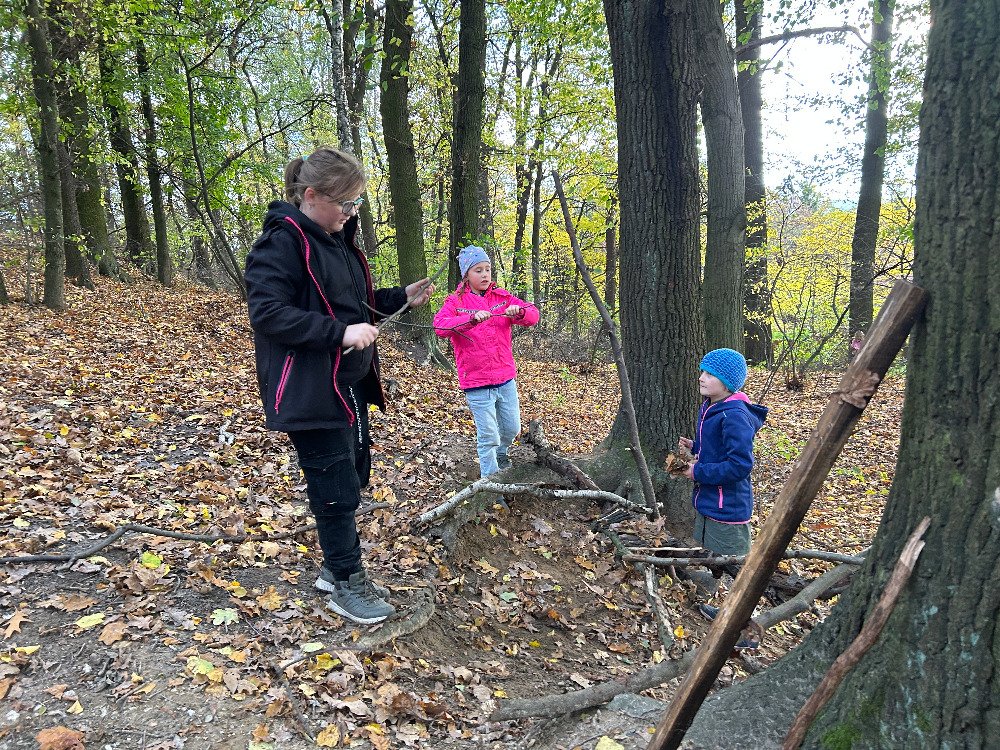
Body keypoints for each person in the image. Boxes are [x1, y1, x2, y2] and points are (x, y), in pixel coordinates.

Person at [244, 146, 434, 625]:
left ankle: (335, 568)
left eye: (357, 203)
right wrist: (339, 334)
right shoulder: (281, 243)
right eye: (345, 203)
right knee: (333, 482)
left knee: (352, 473)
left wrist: (398, 298)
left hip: (348, 383)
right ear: (311, 195)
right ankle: (347, 581)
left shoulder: (337, 240)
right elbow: (268, 313)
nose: (352, 212)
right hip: (309, 387)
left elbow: (353, 305)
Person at [678, 347, 768, 648]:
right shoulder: (712, 406)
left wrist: (698, 471)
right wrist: (695, 447)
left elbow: (739, 465)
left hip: (728, 508)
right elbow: (716, 449)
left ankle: (745, 631)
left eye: (710, 374)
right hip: (710, 502)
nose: (701, 378)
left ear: (727, 383)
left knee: (738, 570)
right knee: (718, 559)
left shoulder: (735, 414)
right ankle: (725, 610)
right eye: (702, 371)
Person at [433, 246, 539, 478]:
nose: (484, 274)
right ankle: (490, 483)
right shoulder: (456, 301)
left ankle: (502, 453)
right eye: (478, 270)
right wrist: (470, 319)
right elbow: (440, 326)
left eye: (487, 269)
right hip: (476, 382)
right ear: (466, 275)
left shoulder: (502, 298)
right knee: (488, 435)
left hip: (505, 378)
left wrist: (519, 312)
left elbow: (533, 314)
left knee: (512, 428)